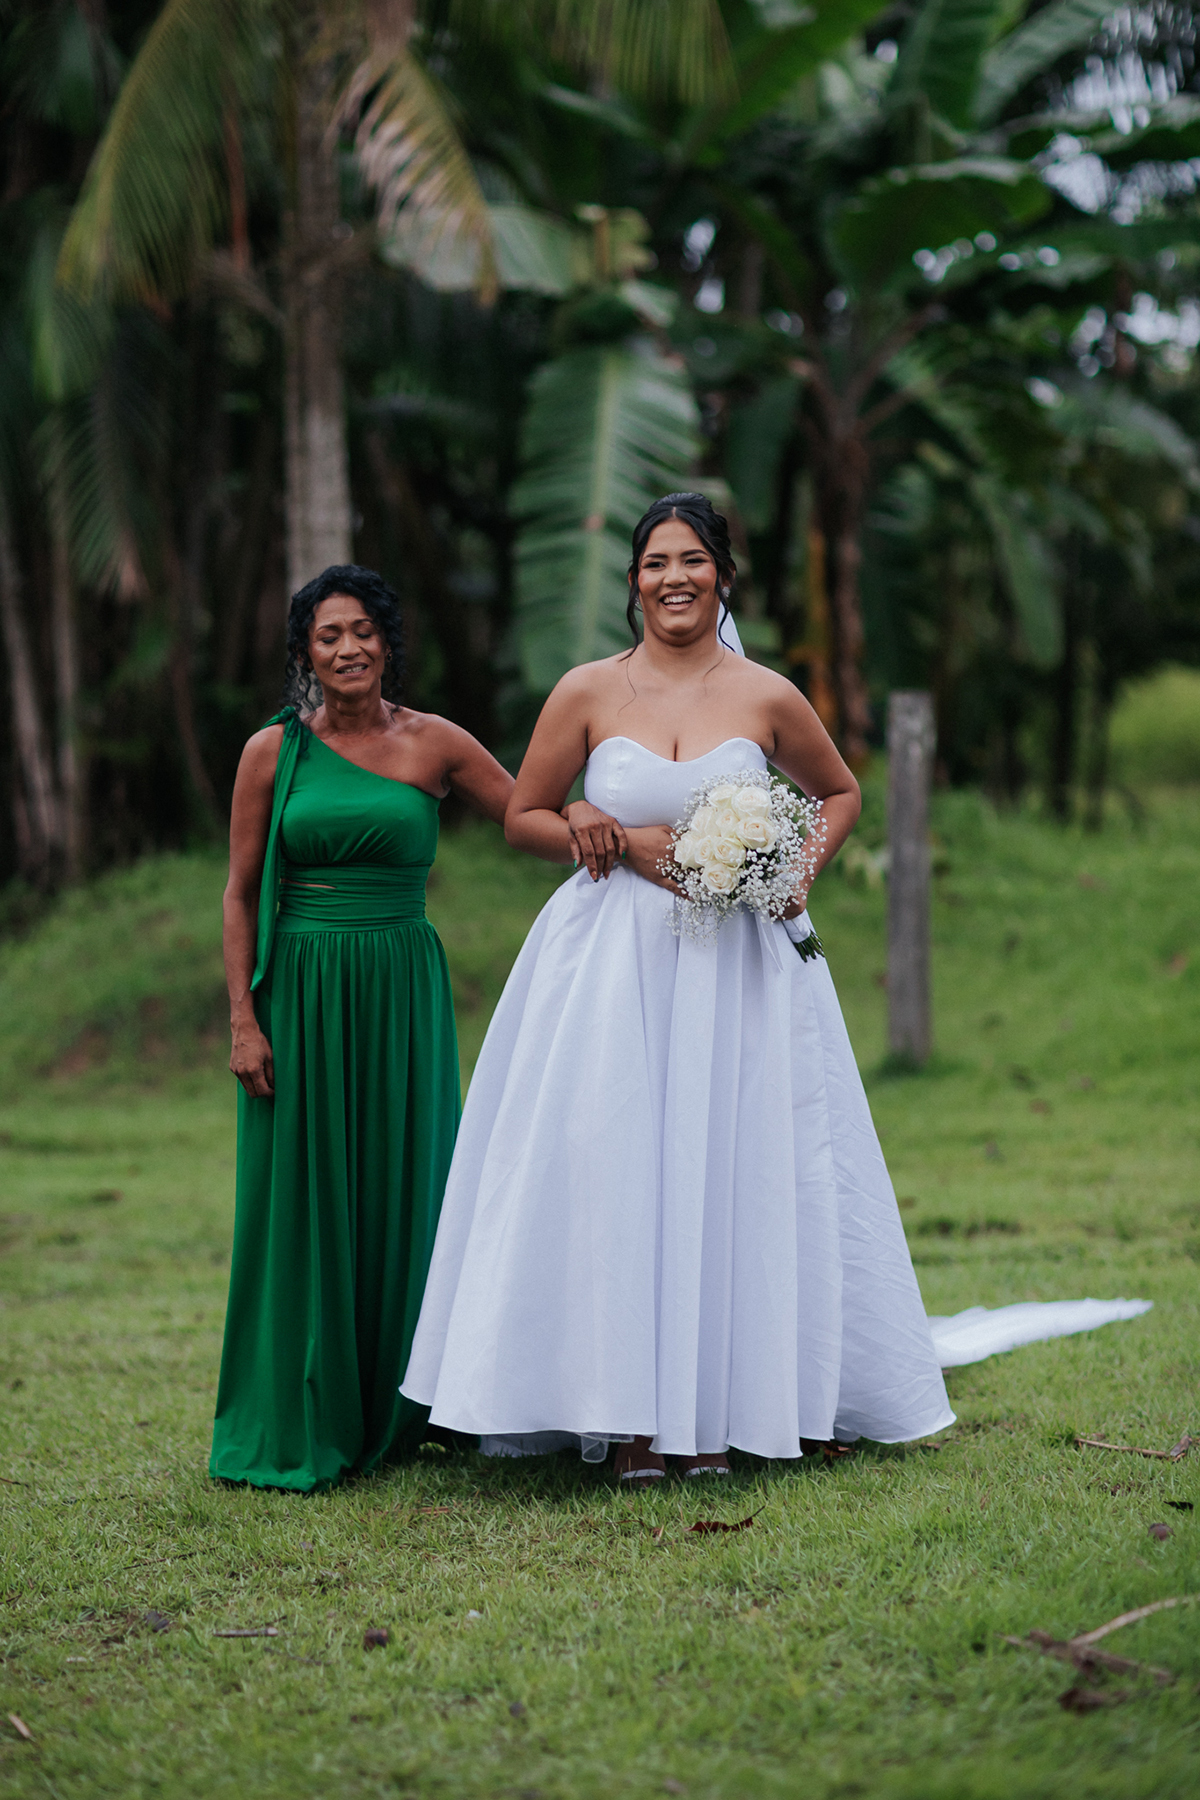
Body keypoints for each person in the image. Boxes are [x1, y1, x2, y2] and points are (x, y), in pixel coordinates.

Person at [401, 494, 954, 1482]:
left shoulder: (767, 695)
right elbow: (519, 815)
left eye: (692, 560)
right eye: (655, 562)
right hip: (610, 968)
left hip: (738, 963)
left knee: (737, 1163)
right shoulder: (587, 691)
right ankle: (627, 1419)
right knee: (617, 1167)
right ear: (632, 583)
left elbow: (839, 792)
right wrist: (583, 822)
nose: (674, 579)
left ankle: (733, 1405)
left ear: (723, 576)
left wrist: (794, 868)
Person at [210, 564, 513, 1491]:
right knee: (305, 1199)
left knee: (408, 1183)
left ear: (388, 641)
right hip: (300, 995)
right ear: (306, 651)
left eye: (362, 631)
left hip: (401, 992)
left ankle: (416, 1404)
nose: (346, 648)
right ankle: (309, 1411)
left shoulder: (439, 744)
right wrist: (243, 1019)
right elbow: (237, 892)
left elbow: (531, 814)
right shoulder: (273, 753)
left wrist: (630, 832)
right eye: (326, 635)